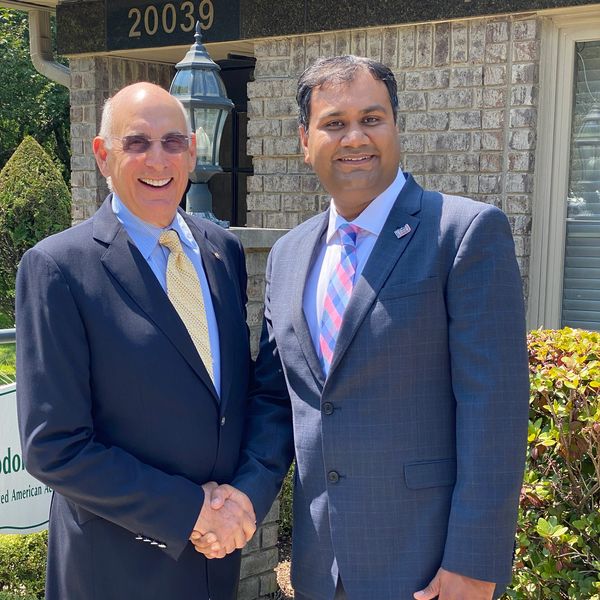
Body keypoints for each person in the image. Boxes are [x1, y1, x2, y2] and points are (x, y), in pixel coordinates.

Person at [198, 55, 530, 599]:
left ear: (395, 126)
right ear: (305, 141)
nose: (354, 137)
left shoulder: (463, 233)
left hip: (428, 568)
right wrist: (244, 498)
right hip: (320, 569)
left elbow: (493, 410)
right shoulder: (287, 255)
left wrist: (473, 564)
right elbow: (278, 402)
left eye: (371, 119)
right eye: (334, 123)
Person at [16, 82, 256, 600]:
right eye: (137, 143)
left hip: (216, 563)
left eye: (173, 142)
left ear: (192, 151)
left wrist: (235, 505)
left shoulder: (223, 252)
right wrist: (190, 511)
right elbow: (54, 447)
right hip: (116, 569)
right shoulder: (58, 268)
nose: (158, 159)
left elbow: (234, 399)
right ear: (103, 155)